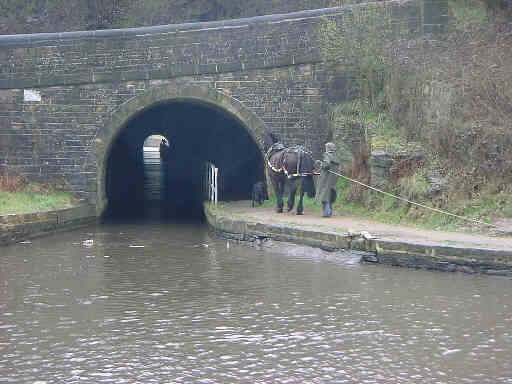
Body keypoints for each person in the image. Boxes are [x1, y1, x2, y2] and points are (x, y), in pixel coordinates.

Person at [315, 142, 339, 217]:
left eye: (326, 147)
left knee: (324, 195)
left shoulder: (327, 155)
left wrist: (321, 164)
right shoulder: (335, 156)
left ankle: (327, 213)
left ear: (328, 148)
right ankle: (329, 211)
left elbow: (327, 165)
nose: (325, 148)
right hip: (333, 178)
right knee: (329, 195)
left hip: (326, 179)